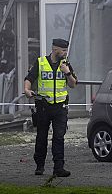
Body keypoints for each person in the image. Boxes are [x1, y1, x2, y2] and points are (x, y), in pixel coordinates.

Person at [24, 38, 77, 177]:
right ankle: (39, 166)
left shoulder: (66, 64)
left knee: (59, 137)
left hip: (60, 107)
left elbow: (73, 84)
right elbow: (29, 78)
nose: (65, 53)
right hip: (43, 106)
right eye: (63, 50)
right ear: (55, 50)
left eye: (66, 50)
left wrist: (67, 73)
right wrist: (27, 90)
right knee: (41, 137)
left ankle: (58, 168)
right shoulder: (41, 62)